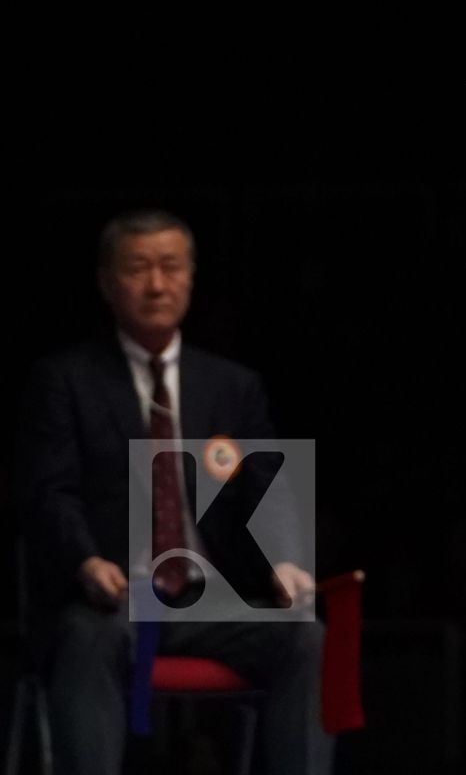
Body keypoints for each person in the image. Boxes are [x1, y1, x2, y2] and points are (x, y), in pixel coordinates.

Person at [17, 209, 332, 775]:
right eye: (137, 268)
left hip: (206, 600)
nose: (156, 284)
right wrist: (86, 561)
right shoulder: (64, 380)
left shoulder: (231, 385)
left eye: (169, 267)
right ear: (107, 282)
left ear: (190, 276)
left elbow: (268, 487)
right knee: (90, 639)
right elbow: (48, 493)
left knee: (306, 638)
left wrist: (285, 559)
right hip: (109, 599)